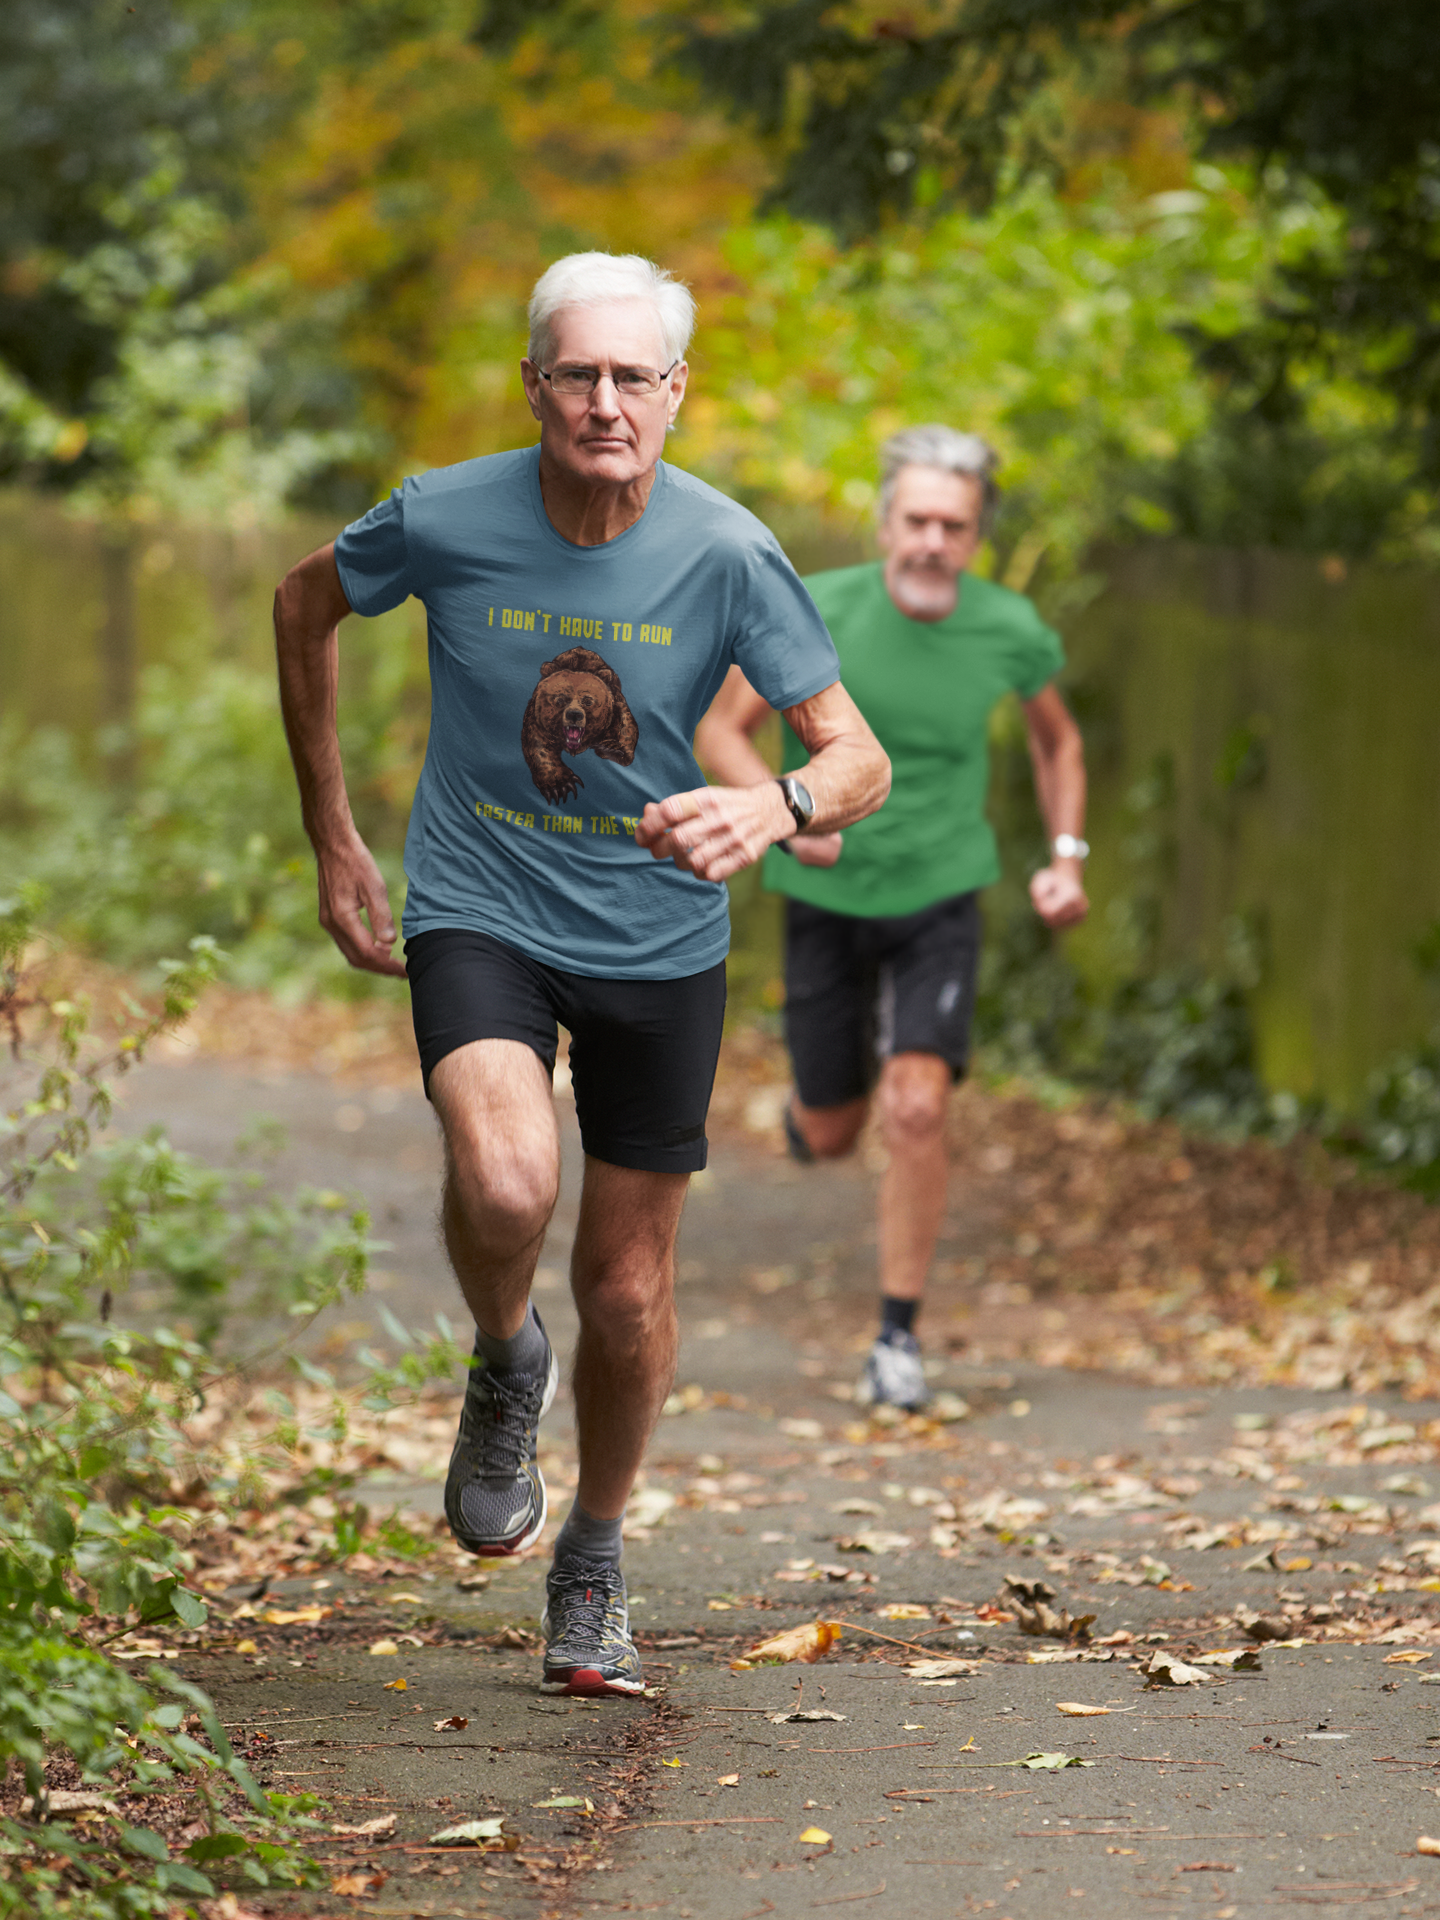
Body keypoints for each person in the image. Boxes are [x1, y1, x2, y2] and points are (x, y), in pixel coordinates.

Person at [273, 252, 889, 1696]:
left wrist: (774, 807)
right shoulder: (444, 515)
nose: (606, 402)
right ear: (534, 386)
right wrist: (334, 834)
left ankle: (595, 1553)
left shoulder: (728, 552)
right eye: (579, 374)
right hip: (481, 903)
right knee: (505, 1184)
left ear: (676, 393)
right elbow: (303, 607)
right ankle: (504, 1355)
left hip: (659, 940)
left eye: (633, 377)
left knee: (624, 1291)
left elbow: (856, 755)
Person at [695, 425, 1088, 1411]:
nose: (931, 542)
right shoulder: (819, 608)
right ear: (884, 524)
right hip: (827, 897)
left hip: (942, 895)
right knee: (835, 1131)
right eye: (916, 521)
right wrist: (784, 817)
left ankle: (897, 1339)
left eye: (953, 526)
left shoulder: (1008, 627)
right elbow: (721, 727)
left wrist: (1065, 856)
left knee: (918, 1105)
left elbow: (1059, 745)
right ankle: (811, 1117)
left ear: (977, 537)